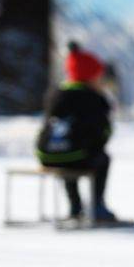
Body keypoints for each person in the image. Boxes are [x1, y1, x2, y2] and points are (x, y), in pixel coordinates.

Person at [35, 41, 118, 223]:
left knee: (67, 152)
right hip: (76, 156)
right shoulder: (95, 98)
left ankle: (75, 206)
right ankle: (97, 206)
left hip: (47, 155)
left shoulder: (55, 94)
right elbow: (103, 132)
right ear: (91, 77)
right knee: (99, 157)